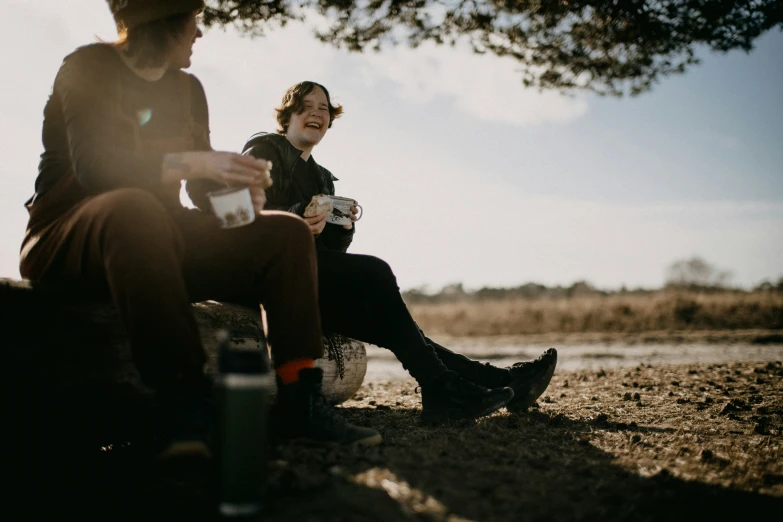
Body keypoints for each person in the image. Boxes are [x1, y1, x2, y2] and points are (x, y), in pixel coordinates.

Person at [19, 1, 382, 457]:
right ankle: (184, 402)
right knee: (133, 208)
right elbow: (96, 169)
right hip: (69, 231)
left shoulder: (187, 89)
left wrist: (242, 208)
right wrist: (194, 161)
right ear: (162, 20)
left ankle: (299, 397)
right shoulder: (87, 67)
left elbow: (201, 190)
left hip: (163, 234)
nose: (199, 33)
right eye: (193, 20)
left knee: (284, 232)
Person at [221, 81, 557, 423]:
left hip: (305, 278)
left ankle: (502, 383)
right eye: (307, 106)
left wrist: (342, 229)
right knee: (374, 272)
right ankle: (450, 389)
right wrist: (296, 215)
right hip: (260, 271)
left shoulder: (322, 178)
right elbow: (236, 211)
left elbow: (328, 252)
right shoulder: (265, 149)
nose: (317, 113)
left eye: (324, 108)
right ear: (288, 114)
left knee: (394, 328)